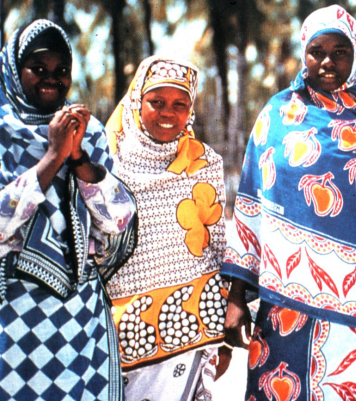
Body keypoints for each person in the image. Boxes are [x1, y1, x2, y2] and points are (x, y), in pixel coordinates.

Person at [222, 5, 356, 401]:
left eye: (340, 51)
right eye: (317, 50)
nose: (328, 62)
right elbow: (251, 203)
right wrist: (236, 296)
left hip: (355, 311)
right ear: (303, 53)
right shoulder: (276, 115)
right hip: (281, 304)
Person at [0, 20, 137, 400]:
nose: (51, 80)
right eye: (38, 69)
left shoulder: (87, 131)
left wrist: (77, 156)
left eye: (61, 71)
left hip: (79, 314)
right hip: (13, 315)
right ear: (13, 71)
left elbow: (117, 220)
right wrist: (53, 155)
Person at [103, 56, 228, 400]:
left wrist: (223, 336)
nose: (168, 113)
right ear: (136, 102)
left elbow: (216, 249)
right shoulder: (108, 164)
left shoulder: (206, 163)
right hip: (123, 335)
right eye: (156, 102)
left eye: (180, 105)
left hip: (193, 332)